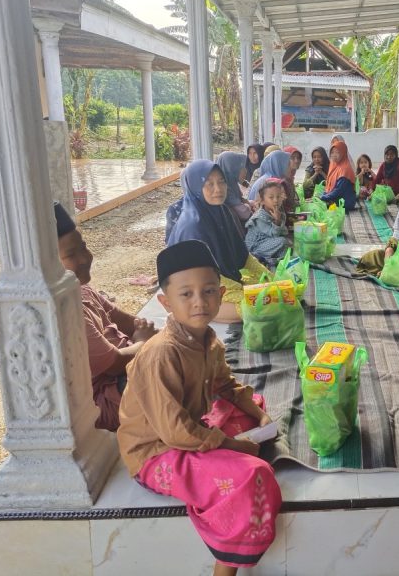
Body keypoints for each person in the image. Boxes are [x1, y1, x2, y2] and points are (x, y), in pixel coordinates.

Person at [117, 240, 281, 575]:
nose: (199, 302)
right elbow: (175, 431)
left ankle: (230, 450)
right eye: (186, 294)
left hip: (188, 429)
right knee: (254, 475)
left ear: (221, 295)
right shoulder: (161, 353)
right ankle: (225, 568)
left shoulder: (208, 341)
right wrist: (234, 445)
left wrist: (259, 415)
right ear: (165, 301)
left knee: (253, 406)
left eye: (208, 291)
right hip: (155, 452)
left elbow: (226, 386)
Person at [54, 202, 157, 431]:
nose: (84, 258)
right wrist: (144, 342)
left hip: (128, 369)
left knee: (188, 349)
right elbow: (114, 363)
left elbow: (126, 320)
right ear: (49, 266)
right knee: (173, 375)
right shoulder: (68, 313)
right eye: (71, 254)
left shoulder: (82, 290)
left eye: (83, 247)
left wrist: (166, 337)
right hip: (107, 397)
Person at [168, 160, 271, 322]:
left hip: (220, 281)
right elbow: (201, 276)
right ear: (195, 187)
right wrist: (241, 289)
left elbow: (242, 256)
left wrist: (268, 276)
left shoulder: (222, 211)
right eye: (209, 184)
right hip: (194, 291)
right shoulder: (192, 225)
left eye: (221, 181)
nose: (218, 189)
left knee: (268, 291)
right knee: (260, 306)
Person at [245, 179, 290, 269]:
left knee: (286, 246)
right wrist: (277, 221)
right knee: (283, 241)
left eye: (278, 196)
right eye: (271, 197)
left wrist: (279, 220)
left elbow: (284, 232)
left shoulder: (279, 211)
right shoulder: (259, 217)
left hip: (268, 242)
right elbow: (274, 234)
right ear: (262, 200)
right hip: (255, 248)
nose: (276, 200)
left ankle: (275, 260)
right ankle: (263, 259)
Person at [216, 151, 253, 226]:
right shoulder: (225, 190)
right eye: (241, 167)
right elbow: (245, 214)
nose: (245, 170)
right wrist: (249, 206)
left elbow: (241, 201)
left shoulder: (232, 184)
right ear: (232, 168)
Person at [320, 139, 357, 211]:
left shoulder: (345, 169)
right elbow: (329, 186)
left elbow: (338, 190)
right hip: (336, 198)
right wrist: (323, 195)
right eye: (332, 152)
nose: (334, 155)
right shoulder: (334, 166)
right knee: (317, 203)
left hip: (345, 202)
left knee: (320, 206)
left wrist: (323, 197)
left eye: (337, 152)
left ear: (343, 153)